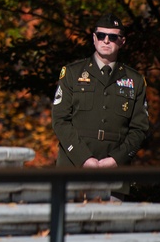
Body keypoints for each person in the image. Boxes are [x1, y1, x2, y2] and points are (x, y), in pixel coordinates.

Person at [52, 14, 149, 177]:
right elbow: (60, 120)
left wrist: (116, 160)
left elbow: (140, 129)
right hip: (72, 166)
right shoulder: (72, 73)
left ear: (122, 41)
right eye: (101, 35)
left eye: (112, 37)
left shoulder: (135, 80)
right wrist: (83, 158)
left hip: (114, 171)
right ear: (94, 38)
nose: (106, 40)